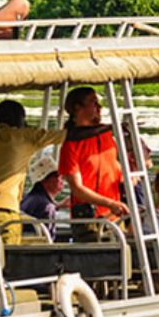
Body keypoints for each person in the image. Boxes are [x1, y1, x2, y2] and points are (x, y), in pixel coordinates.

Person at [0, 100, 65, 245]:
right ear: (22, 119)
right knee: (7, 259)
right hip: (4, 211)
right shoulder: (26, 137)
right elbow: (67, 136)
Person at [57, 87, 128, 237]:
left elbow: (112, 167)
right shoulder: (71, 145)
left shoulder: (106, 136)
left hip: (114, 215)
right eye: (93, 102)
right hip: (88, 217)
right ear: (78, 107)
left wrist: (128, 177)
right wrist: (110, 203)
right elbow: (77, 189)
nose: (99, 107)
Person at [20, 154, 65, 241]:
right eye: (57, 176)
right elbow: (48, 241)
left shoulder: (28, 198)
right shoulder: (47, 207)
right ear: (45, 180)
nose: (61, 180)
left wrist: (58, 206)